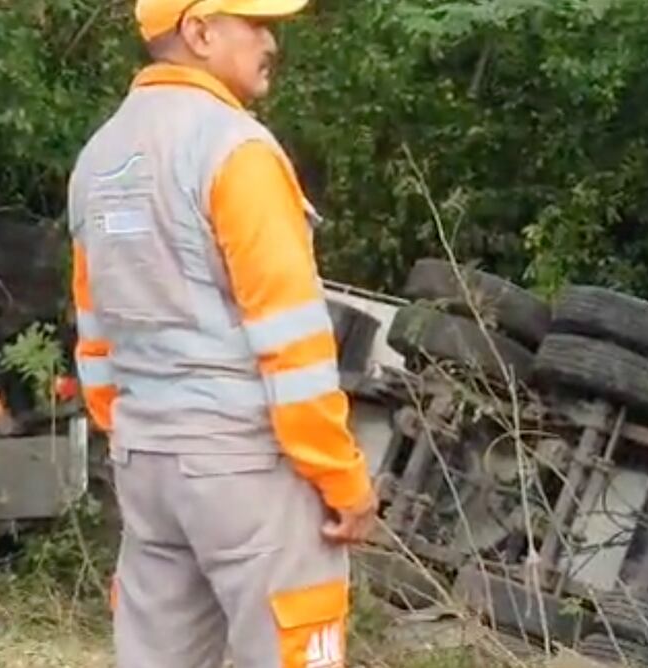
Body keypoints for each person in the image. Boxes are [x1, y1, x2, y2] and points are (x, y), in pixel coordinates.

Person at [65, 1, 378, 666]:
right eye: (256, 24)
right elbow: (292, 341)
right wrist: (342, 478)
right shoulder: (236, 150)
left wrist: (136, 432)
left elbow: (94, 339)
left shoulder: (97, 160)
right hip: (246, 469)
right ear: (199, 32)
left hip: (146, 464)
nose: (271, 43)